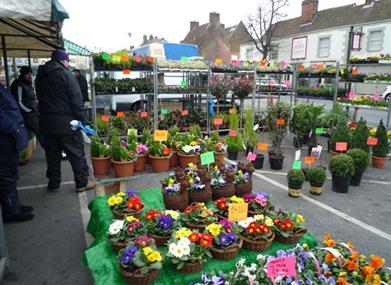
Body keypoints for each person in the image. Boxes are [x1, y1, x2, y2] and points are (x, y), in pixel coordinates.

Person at [35, 49, 95, 193]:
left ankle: (54, 183)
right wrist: (83, 122)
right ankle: (82, 182)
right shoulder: (65, 74)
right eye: (67, 61)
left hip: (46, 122)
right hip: (66, 122)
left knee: (52, 154)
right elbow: (76, 100)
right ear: (63, 61)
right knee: (76, 153)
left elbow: (39, 97)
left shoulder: (40, 75)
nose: (68, 64)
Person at [0, 83, 34, 222]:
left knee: (11, 174)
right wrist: (15, 128)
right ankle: (12, 211)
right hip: (4, 136)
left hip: (8, 135)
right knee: (6, 176)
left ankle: (15, 205)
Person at [10, 66, 44, 148]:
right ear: (22, 74)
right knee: (40, 132)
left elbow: (30, 98)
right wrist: (29, 110)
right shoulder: (19, 85)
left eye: (30, 74)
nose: (29, 76)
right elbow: (19, 101)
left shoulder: (28, 84)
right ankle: (51, 151)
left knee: (39, 132)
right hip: (29, 115)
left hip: (34, 112)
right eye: (27, 74)